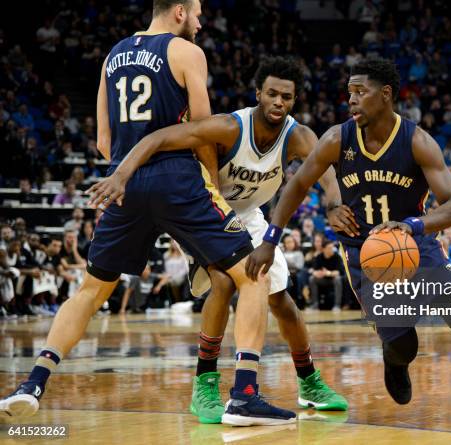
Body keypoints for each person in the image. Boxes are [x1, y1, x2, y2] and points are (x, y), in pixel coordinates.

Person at [1, 0, 295, 427]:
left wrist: (129, 171)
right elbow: (202, 132)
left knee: (90, 291)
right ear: (178, 11)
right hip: (176, 178)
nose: (198, 22)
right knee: (253, 274)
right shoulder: (186, 52)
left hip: (125, 180)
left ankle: (33, 382)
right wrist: (212, 189)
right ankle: (245, 393)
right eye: (195, 13)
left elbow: (104, 141)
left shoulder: (112, 56)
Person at [245, 58, 451, 427]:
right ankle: (395, 360)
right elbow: (298, 185)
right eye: (349, 92)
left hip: (414, 245)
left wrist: (412, 226)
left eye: (359, 92)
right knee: (404, 346)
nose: (351, 100)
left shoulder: (417, 142)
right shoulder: (337, 138)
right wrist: (271, 238)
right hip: (366, 254)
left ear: (385, 95)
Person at [85, 56, 347, 423]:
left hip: (249, 215)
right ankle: (205, 384)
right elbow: (160, 137)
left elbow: (326, 172)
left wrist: (333, 204)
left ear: (294, 100)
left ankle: (309, 381)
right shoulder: (229, 127)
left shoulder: (298, 135)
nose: (278, 102)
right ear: (258, 93)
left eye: (286, 97)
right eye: (271, 93)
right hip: (203, 211)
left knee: (281, 301)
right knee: (223, 282)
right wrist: (122, 173)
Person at [308, 240, 344, 311]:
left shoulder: (337, 257)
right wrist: (317, 273)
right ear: (323, 249)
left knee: (337, 279)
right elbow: (314, 270)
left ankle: (337, 305)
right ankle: (315, 304)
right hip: (323, 279)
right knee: (312, 279)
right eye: (329, 248)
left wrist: (328, 273)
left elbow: (338, 272)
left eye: (332, 248)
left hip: (333, 279)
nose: (331, 250)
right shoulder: (319, 257)